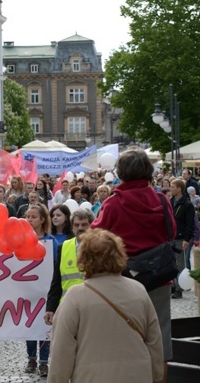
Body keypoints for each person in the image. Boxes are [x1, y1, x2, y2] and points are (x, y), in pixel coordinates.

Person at [91, 148, 175, 380]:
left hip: (124, 279)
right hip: (160, 278)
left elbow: (94, 237)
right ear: (148, 171)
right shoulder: (161, 199)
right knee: (161, 340)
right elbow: (173, 231)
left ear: (121, 172)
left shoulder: (113, 204)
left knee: (124, 340)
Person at [47, 229, 164, 383]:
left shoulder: (75, 297)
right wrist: (156, 375)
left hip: (92, 376)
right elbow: (154, 341)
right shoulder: (138, 290)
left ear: (83, 259)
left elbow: (61, 350)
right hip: (137, 375)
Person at [44, 208, 95, 326]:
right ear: (72, 227)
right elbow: (56, 281)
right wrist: (50, 308)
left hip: (92, 306)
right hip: (67, 306)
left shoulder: (99, 247)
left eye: (84, 225)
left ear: (91, 226)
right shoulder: (64, 247)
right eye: (76, 225)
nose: (80, 228)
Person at [24, 203, 54, 377]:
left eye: (34, 217)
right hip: (27, 289)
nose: (30, 220)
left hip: (46, 290)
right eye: (28, 216)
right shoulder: (21, 239)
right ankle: (31, 359)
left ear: (42, 220)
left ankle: (43, 362)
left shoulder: (51, 241)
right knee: (29, 325)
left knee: (44, 326)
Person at [169, 178, 194, 299]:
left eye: (173, 187)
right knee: (171, 263)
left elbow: (190, 224)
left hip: (180, 238)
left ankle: (179, 289)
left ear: (179, 189)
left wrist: (187, 239)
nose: (170, 189)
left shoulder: (187, 204)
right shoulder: (170, 202)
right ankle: (173, 286)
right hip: (170, 238)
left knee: (180, 264)